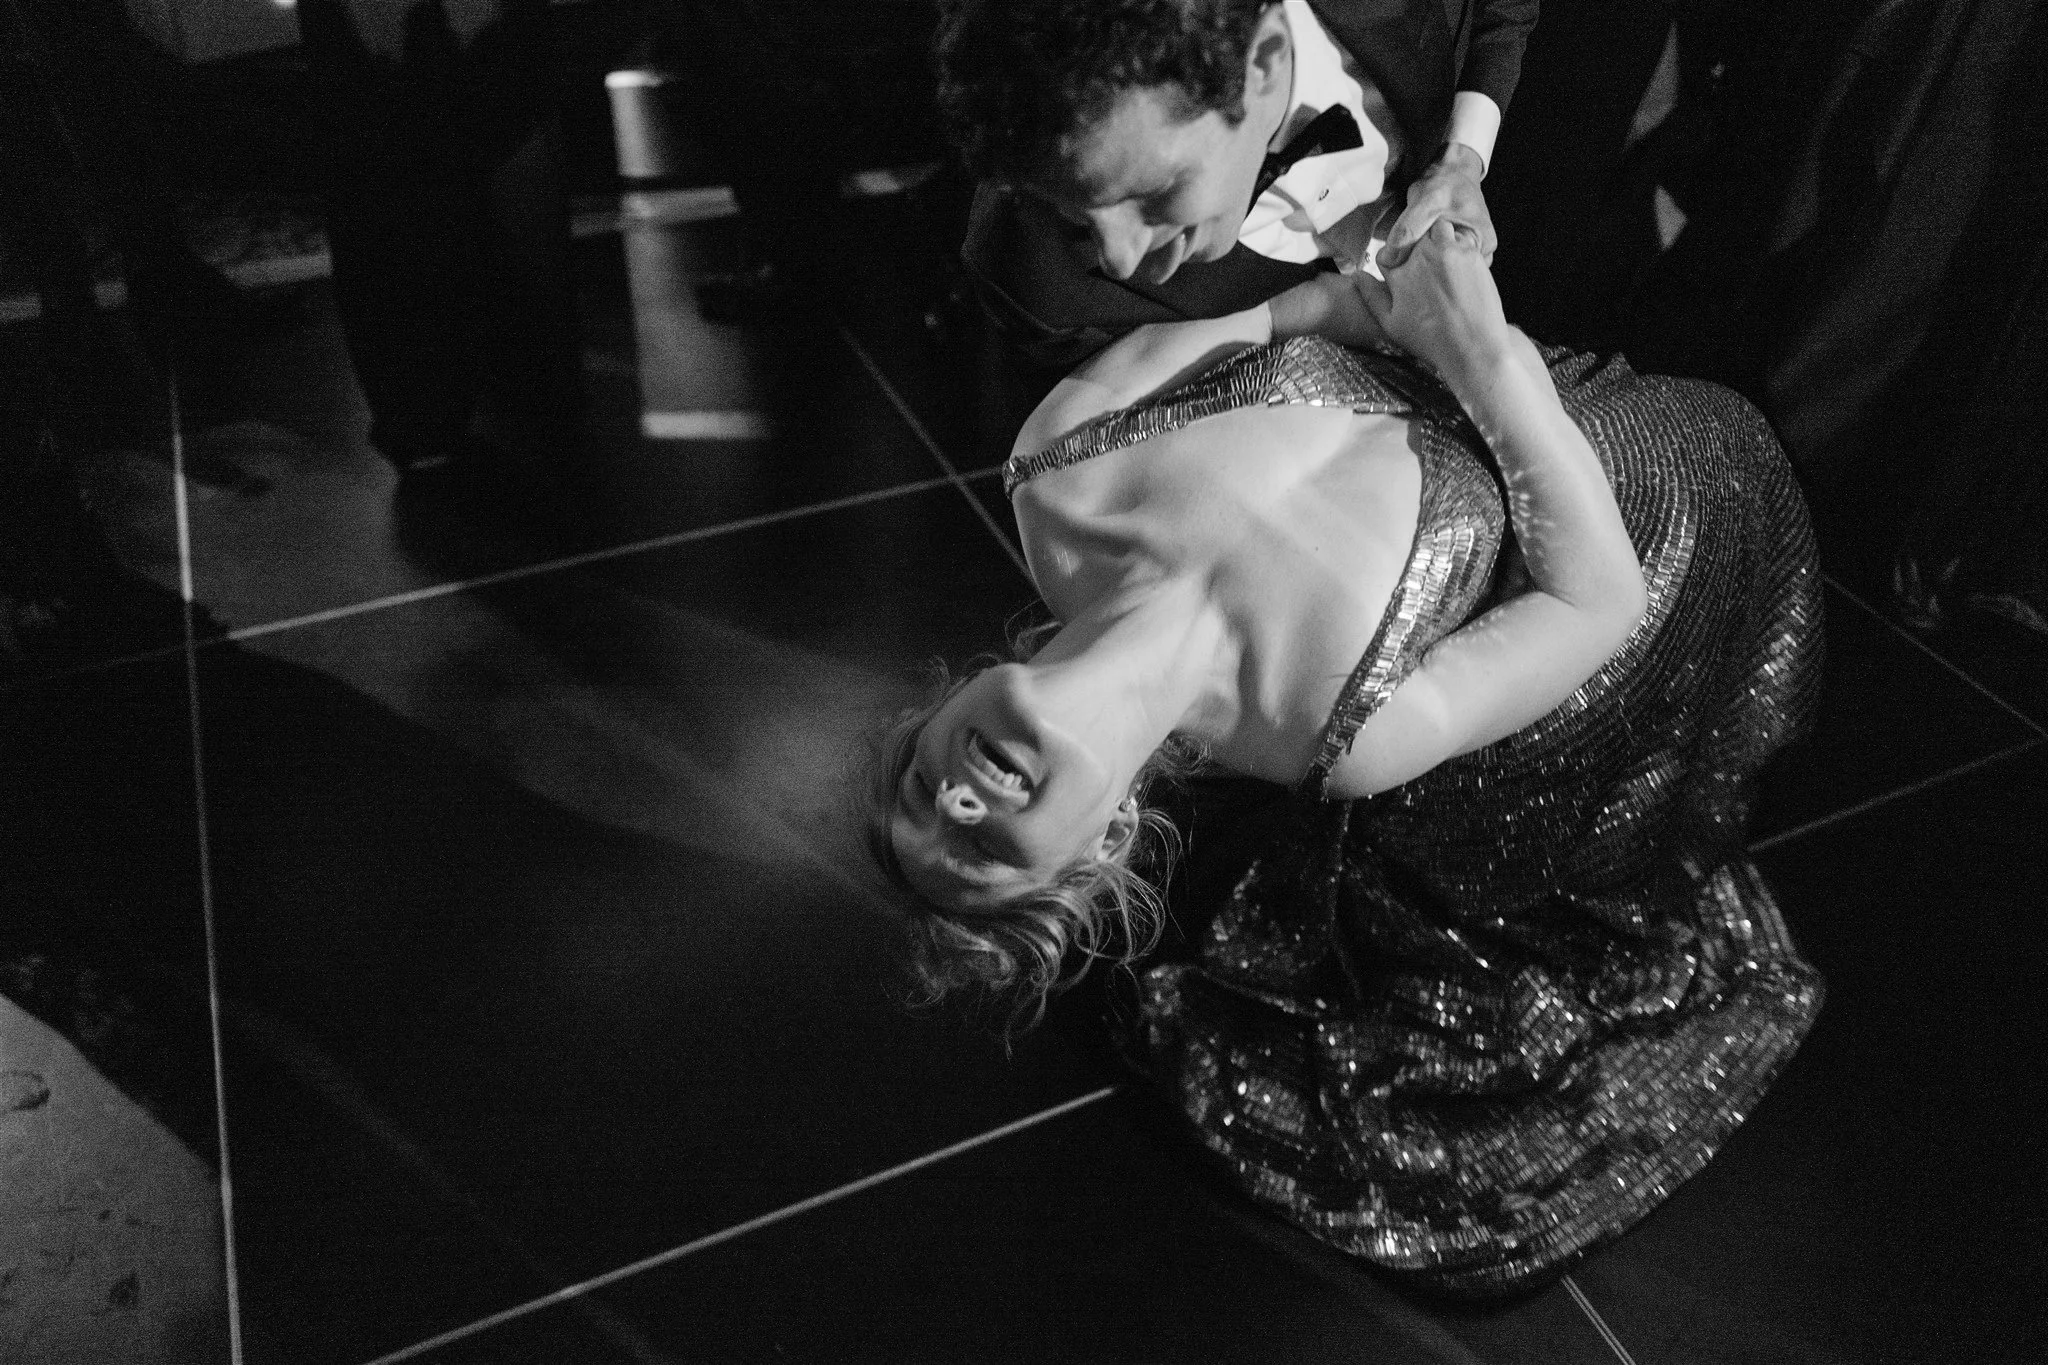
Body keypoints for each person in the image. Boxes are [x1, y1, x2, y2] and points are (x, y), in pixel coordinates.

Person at [861, 224, 1824, 1296]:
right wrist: (1475, 351)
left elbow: (1286, 314)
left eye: (918, 791)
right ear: (1097, 848)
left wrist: (1404, 288)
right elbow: (1596, 598)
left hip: (1470, 334)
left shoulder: (1056, 467)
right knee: (1731, 436)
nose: (955, 796)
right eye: (982, 845)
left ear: (942, 703)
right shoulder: (1339, 740)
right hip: (1649, 490)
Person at [937, 0, 1538, 366]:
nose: (1120, 262)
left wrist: (1466, 151)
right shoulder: (1031, 281)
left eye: (1155, 190)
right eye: (1076, 214)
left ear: (1264, 59)